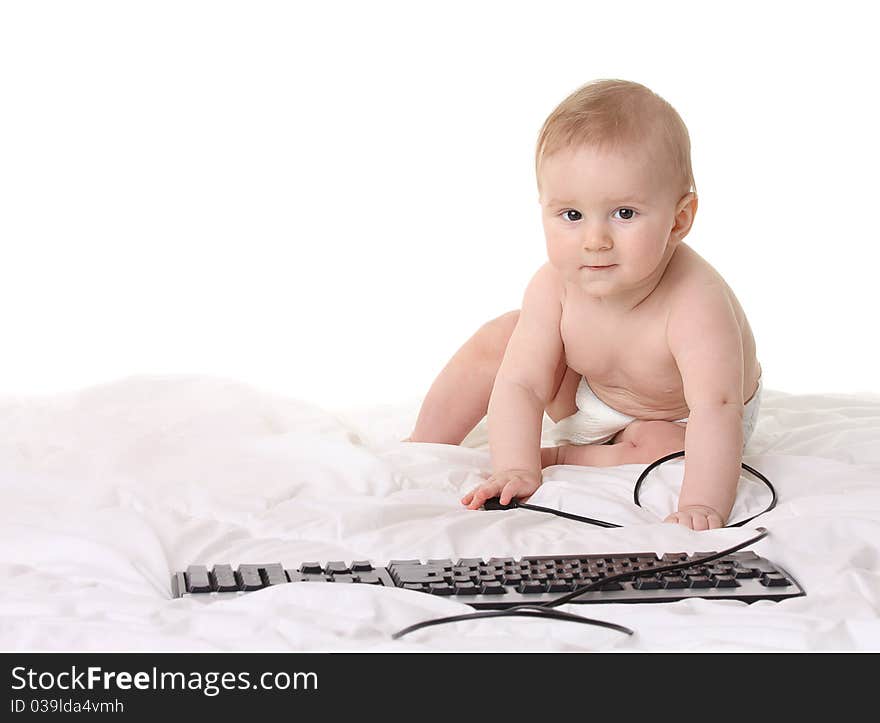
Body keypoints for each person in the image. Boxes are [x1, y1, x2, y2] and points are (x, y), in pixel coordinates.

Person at [405, 79, 762, 531]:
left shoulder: (695, 301)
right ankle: (421, 449)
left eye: (624, 214)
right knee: (504, 337)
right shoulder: (553, 285)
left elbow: (717, 407)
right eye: (571, 215)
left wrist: (703, 505)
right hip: (596, 390)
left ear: (679, 219)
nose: (595, 241)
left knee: (663, 446)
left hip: (682, 415)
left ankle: (558, 456)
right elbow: (522, 384)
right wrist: (514, 468)